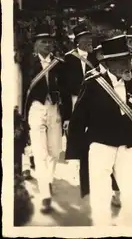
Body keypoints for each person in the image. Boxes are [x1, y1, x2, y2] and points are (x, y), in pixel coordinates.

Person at [66, 34, 132, 226]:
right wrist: (74, 155)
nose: (128, 65)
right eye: (122, 61)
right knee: (101, 198)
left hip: (129, 147)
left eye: (128, 60)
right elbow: (77, 121)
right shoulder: (92, 83)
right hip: (101, 145)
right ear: (108, 63)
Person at [22, 23, 72, 213]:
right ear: (36, 44)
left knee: (54, 151)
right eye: (43, 42)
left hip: (55, 109)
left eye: (50, 42)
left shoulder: (59, 64)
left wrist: (67, 115)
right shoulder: (27, 63)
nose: (47, 46)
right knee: (40, 152)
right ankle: (45, 194)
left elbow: (66, 91)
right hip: (36, 109)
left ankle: (48, 180)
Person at [63, 21, 96, 110]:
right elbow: (65, 84)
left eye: (90, 38)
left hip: (93, 99)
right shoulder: (68, 58)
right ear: (78, 40)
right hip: (75, 99)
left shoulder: (95, 57)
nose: (89, 40)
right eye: (86, 38)